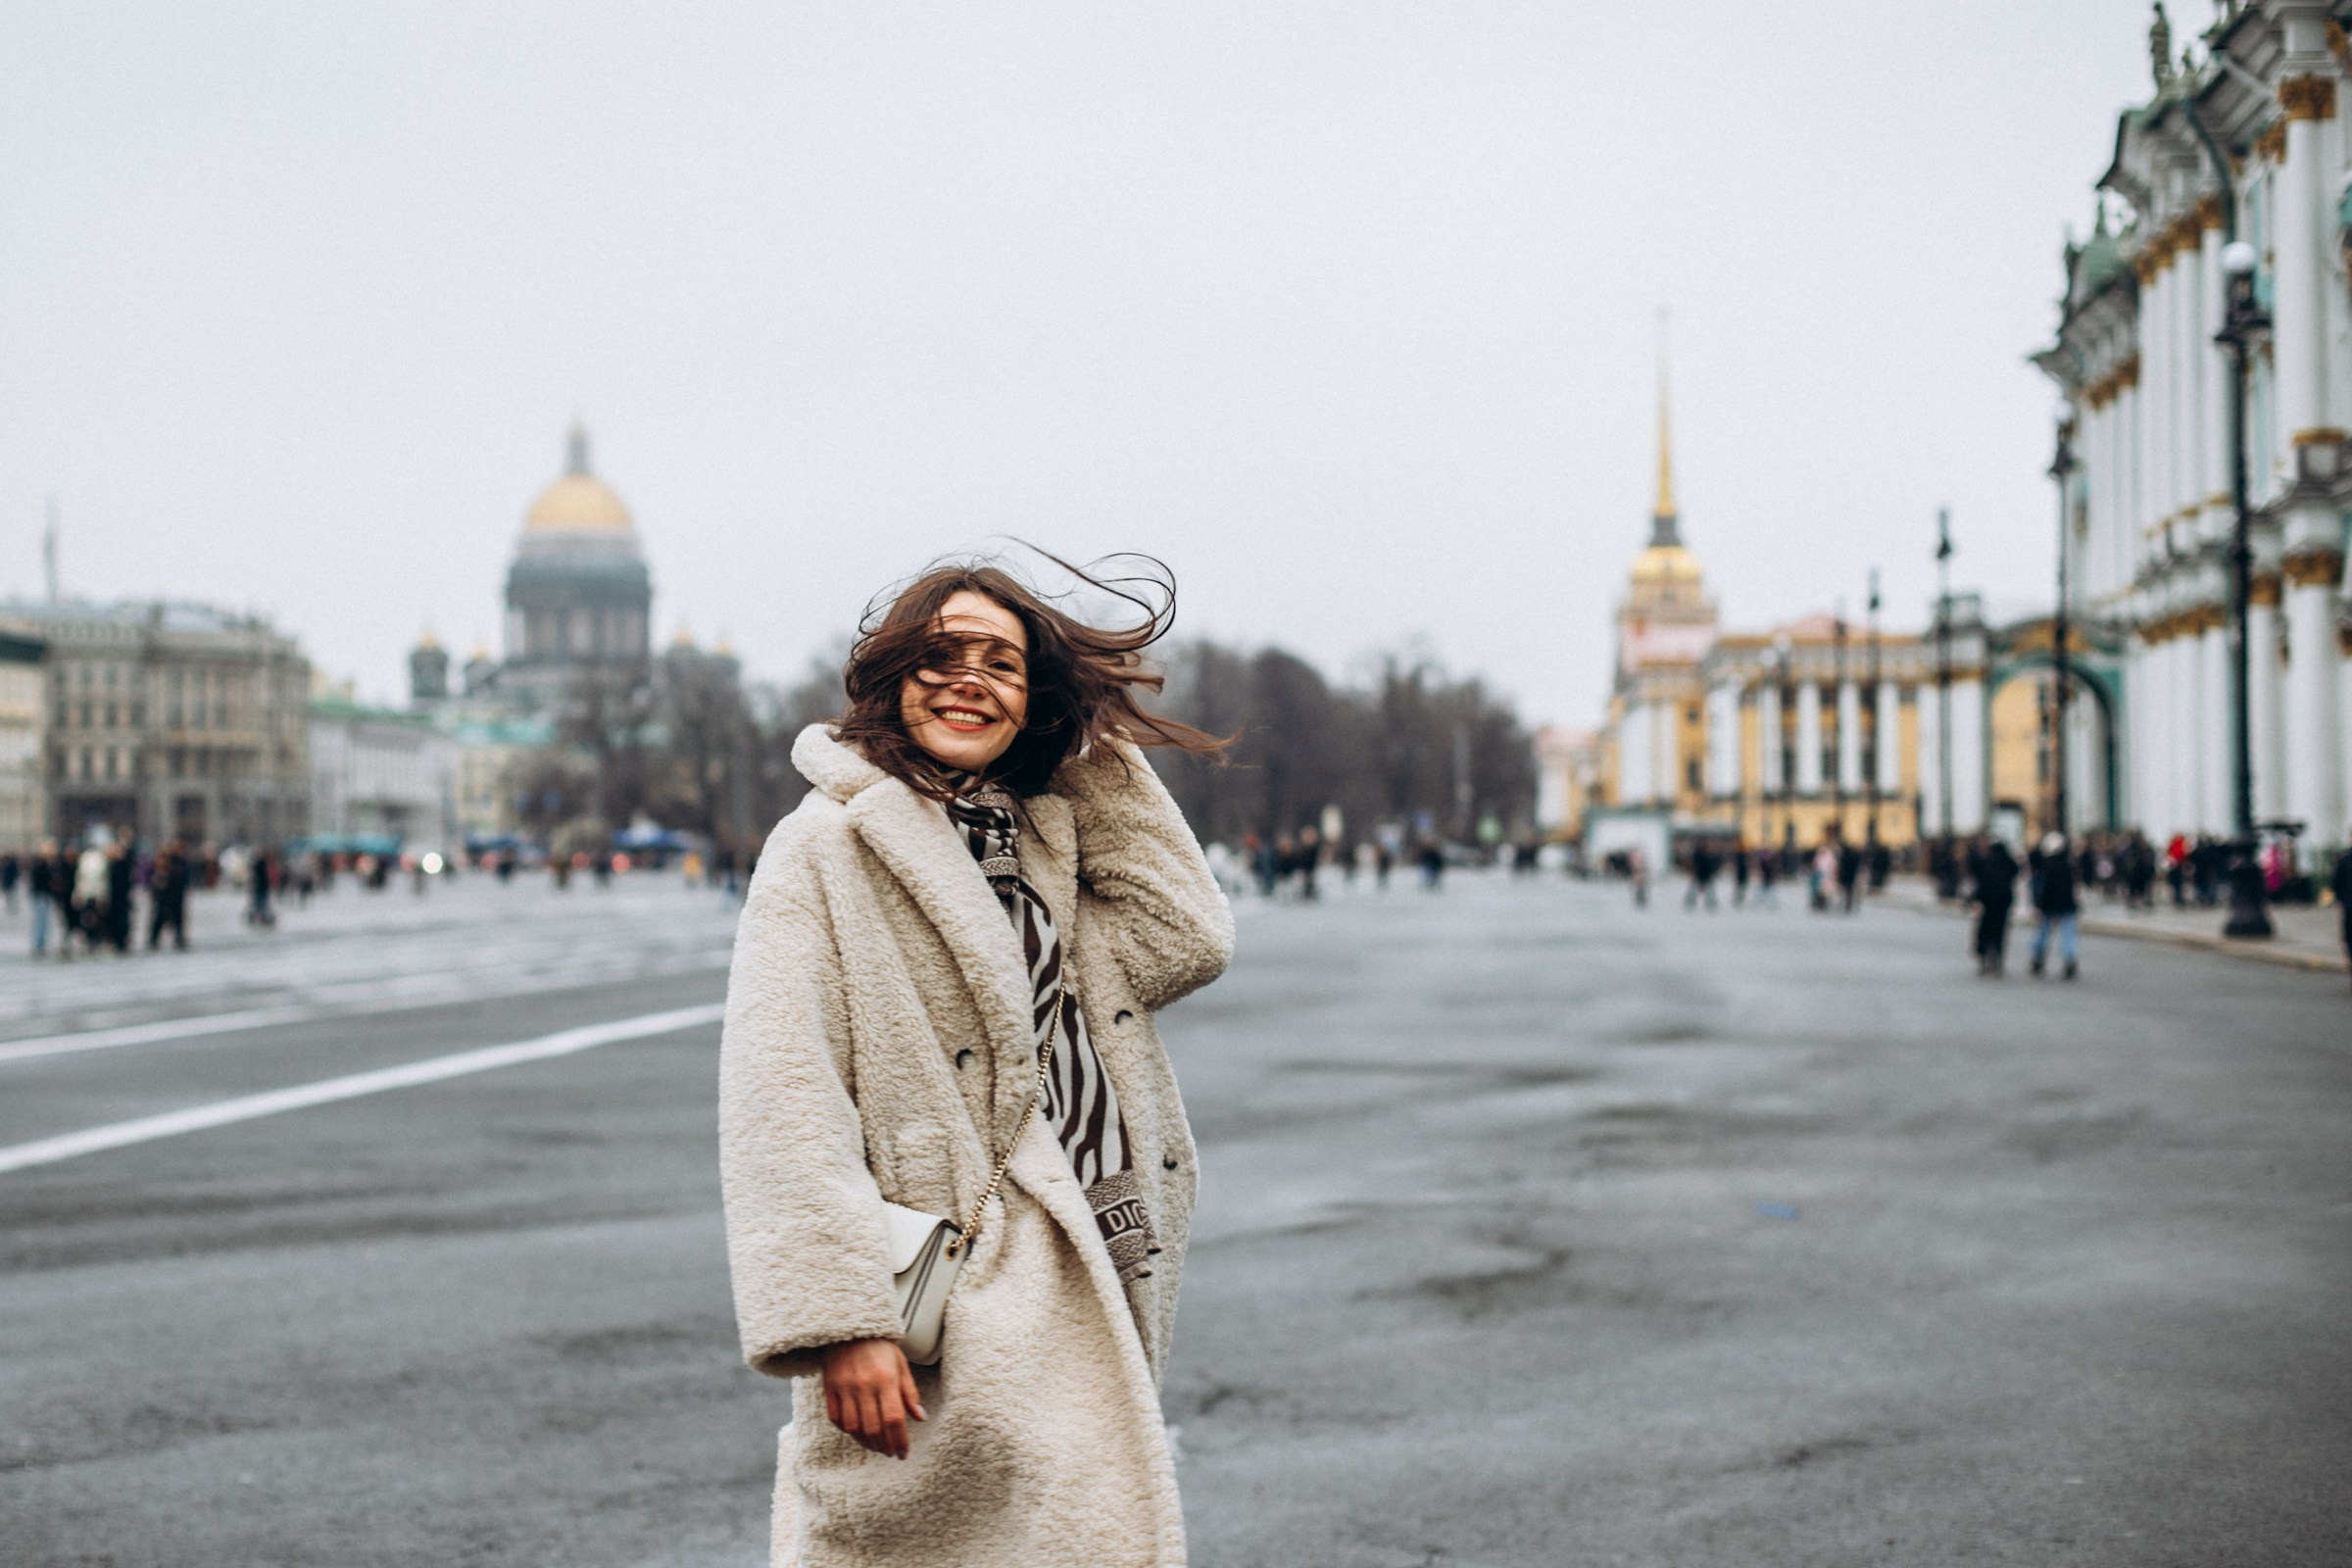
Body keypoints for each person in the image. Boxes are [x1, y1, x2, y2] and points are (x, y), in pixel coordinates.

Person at [717, 557, 1233, 1568]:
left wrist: (1085, 743)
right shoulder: (823, 843)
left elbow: (1184, 936)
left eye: (1004, 664)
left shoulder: (1038, 834)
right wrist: (841, 1319)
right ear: (890, 678)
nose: (970, 679)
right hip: (934, 1283)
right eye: (941, 655)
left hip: (1088, 1243)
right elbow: (782, 1088)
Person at [2029, 830, 2081, 980]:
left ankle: (2038, 959)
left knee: (2043, 933)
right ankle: (2069, 960)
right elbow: (2071, 888)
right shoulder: (2067, 866)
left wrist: (2039, 905)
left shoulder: (2047, 866)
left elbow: (2043, 888)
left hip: (2048, 905)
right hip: (2065, 904)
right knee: (2068, 934)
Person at [1969, 833, 2020, 976]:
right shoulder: (2008, 860)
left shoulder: (1985, 859)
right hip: (2003, 901)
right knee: (2000, 931)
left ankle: (1983, 957)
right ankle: (1997, 959)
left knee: (1984, 929)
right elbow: (2016, 871)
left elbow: (1976, 875)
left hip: (1986, 901)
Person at [148, 836, 191, 951]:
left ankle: (179, 938)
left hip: (176, 894)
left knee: (178, 918)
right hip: (164, 896)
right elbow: (155, 878)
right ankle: (153, 939)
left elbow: (183, 876)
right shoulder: (162, 861)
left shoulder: (179, 861)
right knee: (160, 918)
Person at [2332, 833, 2352, 992]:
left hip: (2349, 905)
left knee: (2349, 938)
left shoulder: (2344, 859)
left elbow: (2336, 882)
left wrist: (2341, 899)